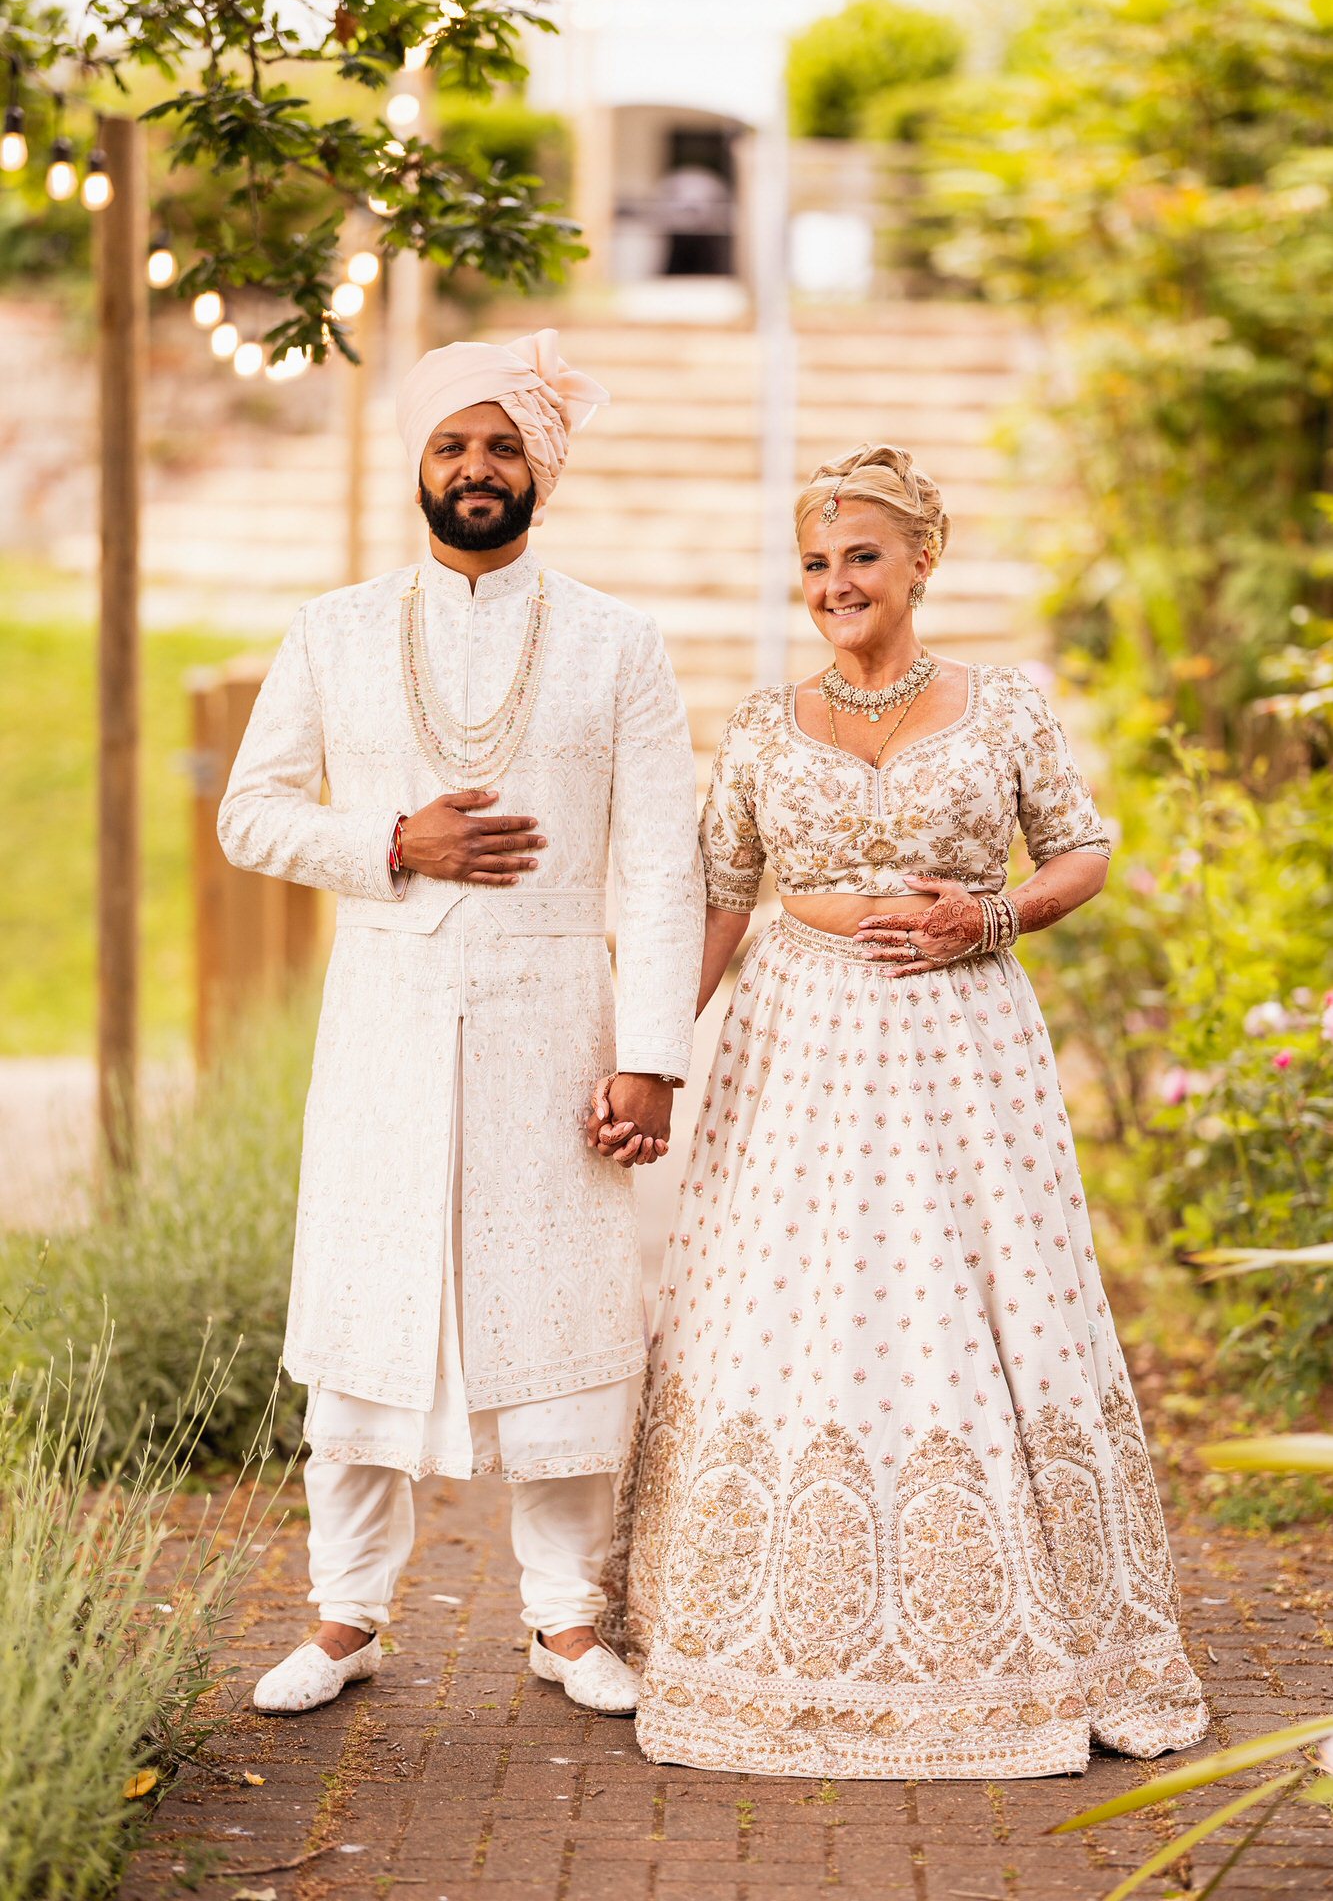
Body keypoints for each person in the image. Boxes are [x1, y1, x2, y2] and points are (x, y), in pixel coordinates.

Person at [599, 444, 1208, 1779]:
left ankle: (1002, 1628)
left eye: (861, 557)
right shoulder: (763, 723)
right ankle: (766, 1621)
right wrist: (650, 1056)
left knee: (964, 1301)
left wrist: (994, 916)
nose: (835, 583)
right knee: (790, 1304)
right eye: (816, 563)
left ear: (922, 562)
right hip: (798, 1042)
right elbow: (721, 901)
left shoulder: (1003, 707)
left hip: (963, 1040)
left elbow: (1083, 849)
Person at [217, 329, 704, 1718]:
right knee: (364, 1318)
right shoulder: (333, 630)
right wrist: (392, 840)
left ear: (538, 470)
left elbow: (660, 868)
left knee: (561, 1318)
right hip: (382, 1025)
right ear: (419, 466)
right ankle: (344, 1617)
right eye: (452, 445)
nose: (475, 467)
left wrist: (651, 1059)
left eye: (500, 446)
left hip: (556, 1028)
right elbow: (250, 815)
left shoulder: (618, 641)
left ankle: (567, 1621)